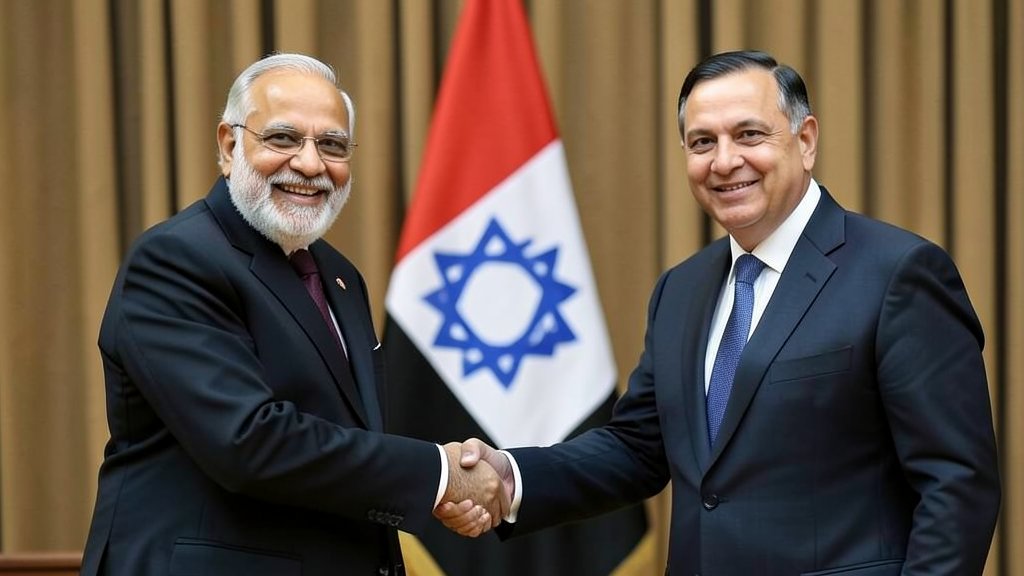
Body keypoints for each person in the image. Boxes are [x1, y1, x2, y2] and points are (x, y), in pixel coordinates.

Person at [437, 50, 1001, 575]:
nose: (725, 161)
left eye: (749, 134)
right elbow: (638, 448)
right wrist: (508, 478)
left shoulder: (899, 273)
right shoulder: (681, 290)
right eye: (702, 142)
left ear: (806, 141)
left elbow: (956, 484)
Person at [81, 53, 505, 576]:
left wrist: (440, 480)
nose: (309, 164)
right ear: (229, 145)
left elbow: (350, 435)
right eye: (283, 138)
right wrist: (440, 475)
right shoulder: (176, 259)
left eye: (331, 144)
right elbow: (249, 441)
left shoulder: (340, 276)